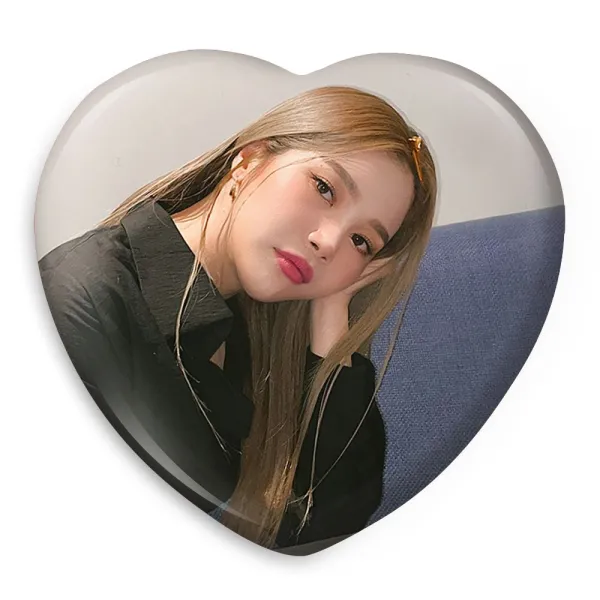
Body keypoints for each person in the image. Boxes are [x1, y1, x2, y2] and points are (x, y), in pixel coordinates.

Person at [38, 85, 438, 550]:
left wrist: (332, 319)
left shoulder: (258, 328)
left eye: (361, 241)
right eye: (324, 188)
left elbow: (325, 529)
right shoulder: (79, 304)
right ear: (248, 161)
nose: (329, 242)